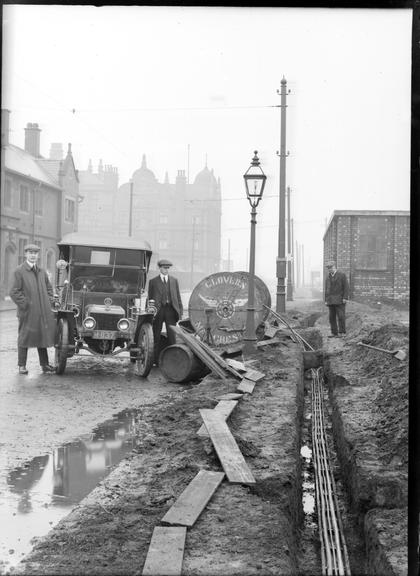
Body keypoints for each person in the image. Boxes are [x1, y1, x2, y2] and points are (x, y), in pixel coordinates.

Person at [9, 244, 57, 374]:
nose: (33, 255)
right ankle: (22, 365)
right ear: (25, 254)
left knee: (42, 336)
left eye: (35, 253)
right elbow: (14, 292)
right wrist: (26, 305)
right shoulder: (19, 271)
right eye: (30, 252)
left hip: (42, 312)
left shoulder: (41, 271)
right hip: (27, 312)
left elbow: (48, 289)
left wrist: (49, 300)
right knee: (24, 337)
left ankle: (45, 364)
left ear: (38, 255)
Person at [147, 259, 183, 358]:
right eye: (164, 268)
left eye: (167, 268)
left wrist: (180, 312)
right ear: (159, 268)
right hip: (158, 311)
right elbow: (149, 297)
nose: (166, 270)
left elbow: (178, 297)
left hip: (170, 310)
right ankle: (153, 358)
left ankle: (173, 357)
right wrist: (149, 312)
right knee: (155, 335)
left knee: (172, 335)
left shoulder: (174, 281)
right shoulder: (153, 281)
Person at [324, 260, 349, 338]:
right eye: (328, 268)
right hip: (330, 300)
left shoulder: (342, 275)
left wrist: (345, 297)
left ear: (335, 267)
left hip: (340, 300)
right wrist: (326, 300)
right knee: (331, 317)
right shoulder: (327, 277)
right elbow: (326, 289)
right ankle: (334, 333)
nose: (329, 269)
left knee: (341, 316)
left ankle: (342, 332)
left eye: (331, 268)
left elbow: (346, 287)